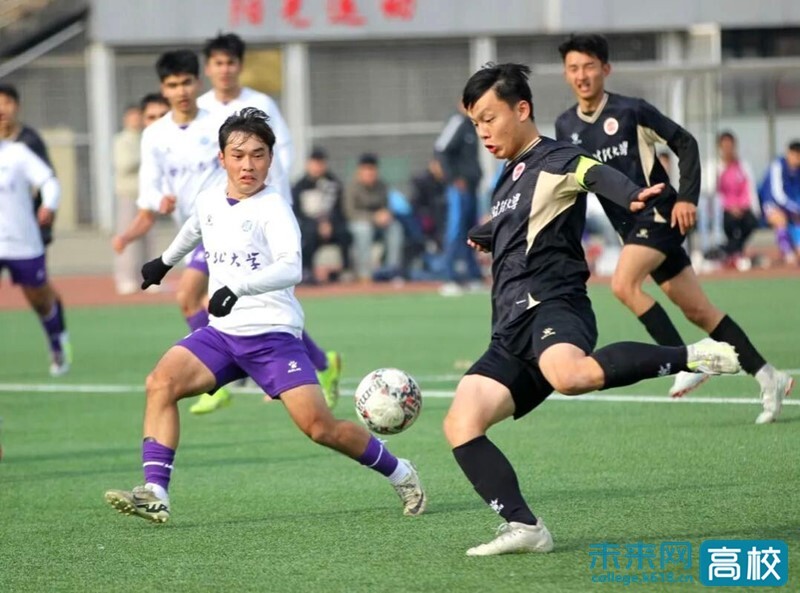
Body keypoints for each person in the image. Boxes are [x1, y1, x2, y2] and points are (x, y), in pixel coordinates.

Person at [444, 63, 740, 557]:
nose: (484, 132)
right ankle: (525, 527)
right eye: (476, 124)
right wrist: (488, 232)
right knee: (460, 422)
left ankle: (691, 355)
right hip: (510, 328)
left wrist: (632, 194)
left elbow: (592, 173)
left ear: (522, 109)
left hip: (554, 306)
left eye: (490, 119)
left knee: (569, 375)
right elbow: (524, 219)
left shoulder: (557, 156)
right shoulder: (507, 178)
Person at [103, 108, 425, 523]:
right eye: (238, 155)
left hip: (273, 336)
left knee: (319, 428)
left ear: (270, 159)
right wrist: (164, 262)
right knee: (160, 383)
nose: (248, 165)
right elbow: (195, 227)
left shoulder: (274, 208)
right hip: (222, 335)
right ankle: (155, 492)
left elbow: (292, 267)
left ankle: (401, 472)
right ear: (222, 158)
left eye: (258, 155)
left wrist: (238, 287)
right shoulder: (210, 198)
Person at [555, 34, 792, 423]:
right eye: (573, 68)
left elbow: (685, 142)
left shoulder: (631, 111)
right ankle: (770, 376)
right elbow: (575, 187)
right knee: (699, 310)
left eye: (589, 66)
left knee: (623, 285)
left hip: (660, 215)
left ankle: (686, 360)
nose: (582, 75)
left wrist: (687, 198)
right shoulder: (565, 127)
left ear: (605, 69)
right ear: (566, 74)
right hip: (630, 231)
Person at [198, 32, 342, 409]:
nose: (225, 69)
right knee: (202, 296)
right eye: (218, 63)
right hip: (217, 218)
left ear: (239, 66)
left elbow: (284, 153)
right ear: (208, 68)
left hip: (257, 219)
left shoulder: (260, 104)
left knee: (262, 299)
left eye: (230, 62)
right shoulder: (200, 109)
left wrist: (266, 200)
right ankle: (308, 364)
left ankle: (231, 377)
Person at [111, 49, 233, 414]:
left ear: (198, 83)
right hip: (191, 232)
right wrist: (155, 204)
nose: (180, 91)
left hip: (226, 225)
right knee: (245, 307)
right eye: (172, 85)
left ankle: (217, 378)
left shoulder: (221, 124)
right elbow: (149, 192)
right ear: (163, 89)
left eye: (186, 83)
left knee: (188, 296)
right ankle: (318, 362)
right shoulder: (154, 135)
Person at [0, 130, 70, 376]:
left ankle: (57, 345)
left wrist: (49, 205)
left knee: (40, 300)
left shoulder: (17, 153)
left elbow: (49, 180)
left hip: (22, 242)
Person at [435, 104, 484, 295]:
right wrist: (454, 178)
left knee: (471, 232)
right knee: (455, 231)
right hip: (459, 189)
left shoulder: (473, 125)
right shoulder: (457, 121)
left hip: (472, 187)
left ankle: (473, 276)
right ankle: (449, 277)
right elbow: (441, 149)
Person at [0, 83, 56, 248]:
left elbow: (47, 181)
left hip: (24, 227)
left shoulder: (29, 141)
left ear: (17, 106)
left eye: (7, 103)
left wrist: (45, 212)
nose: (2, 109)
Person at [292, 147, 351, 282]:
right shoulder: (300, 186)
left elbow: (340, 209)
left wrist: (329, 223)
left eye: (321, 163)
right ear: (308, 164)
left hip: (331, 224)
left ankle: (345, 269)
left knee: (344, 233)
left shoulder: (334, 183)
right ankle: (306, 270)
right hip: (309, 224)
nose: (317, 167)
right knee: (308, 234)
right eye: (315, 163)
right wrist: (317, 224)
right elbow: (297, 212)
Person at [343, 153, 404, 281]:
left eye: (372, 170)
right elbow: (349, 212)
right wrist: (373, 217)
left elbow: (388, 207)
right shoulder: (351, 187)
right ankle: (364, 273)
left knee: (395, 228)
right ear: (359, 171)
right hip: (358, 223)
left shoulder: (382, 186)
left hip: (379, 225)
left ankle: (392, 270)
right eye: (366, 170)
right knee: (364, 230)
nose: (369, 173)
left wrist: (386, 215)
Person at [715, 131, 760, 268]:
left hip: (743, 208)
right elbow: (717, 193)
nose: (728, 149)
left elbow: (749, 189)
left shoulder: (743, 166)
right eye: (725, 146)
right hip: (726, 209)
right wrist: (730, 207)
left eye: (730, 145)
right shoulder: (716, 168)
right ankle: (733, 252)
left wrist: (745, 207)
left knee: (751, 222)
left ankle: (730, 251)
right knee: (730, 223)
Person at [758, 140, 800, 265]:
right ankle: (787, 252)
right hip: (771, 205)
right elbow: (778, 195)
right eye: (795, 154)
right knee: (780, 219)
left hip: (792, 209)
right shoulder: (777, 166)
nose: (797, 158)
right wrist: (795, 208)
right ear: (789, 153)